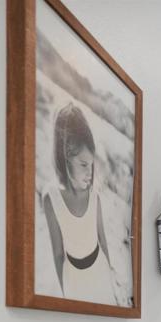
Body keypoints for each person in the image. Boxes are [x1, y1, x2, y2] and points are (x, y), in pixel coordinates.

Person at [42, 102, 119, 305]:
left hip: (100, 272)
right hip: (74, 280)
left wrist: (110, 278)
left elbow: (103, 242)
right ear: (66, 156)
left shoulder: (95, 196)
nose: (90, 173)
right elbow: (58, 255)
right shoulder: (51, 198)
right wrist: (66, 293)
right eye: (83, 165)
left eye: (91, 165)